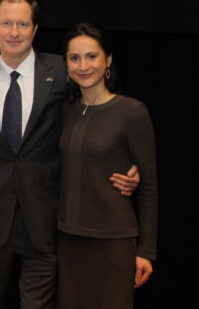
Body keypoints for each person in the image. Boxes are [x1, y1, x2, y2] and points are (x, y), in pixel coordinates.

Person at [0, 0, 139, 308]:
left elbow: (95, 118)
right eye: (7, 23)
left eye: (23, 23)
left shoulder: (62, 71)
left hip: (47, 221)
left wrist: (127, 164)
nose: (14, 32)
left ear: (35, 29)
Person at [57, 22, 157, 308]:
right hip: (67, 242)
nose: (83, 65)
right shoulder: (64, 111)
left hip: (113, 244)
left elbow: (149, 186)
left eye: (92, 56)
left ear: (108, 60)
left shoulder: (131, 112)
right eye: (74, 58)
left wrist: (146, 251)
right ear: (66, 63)